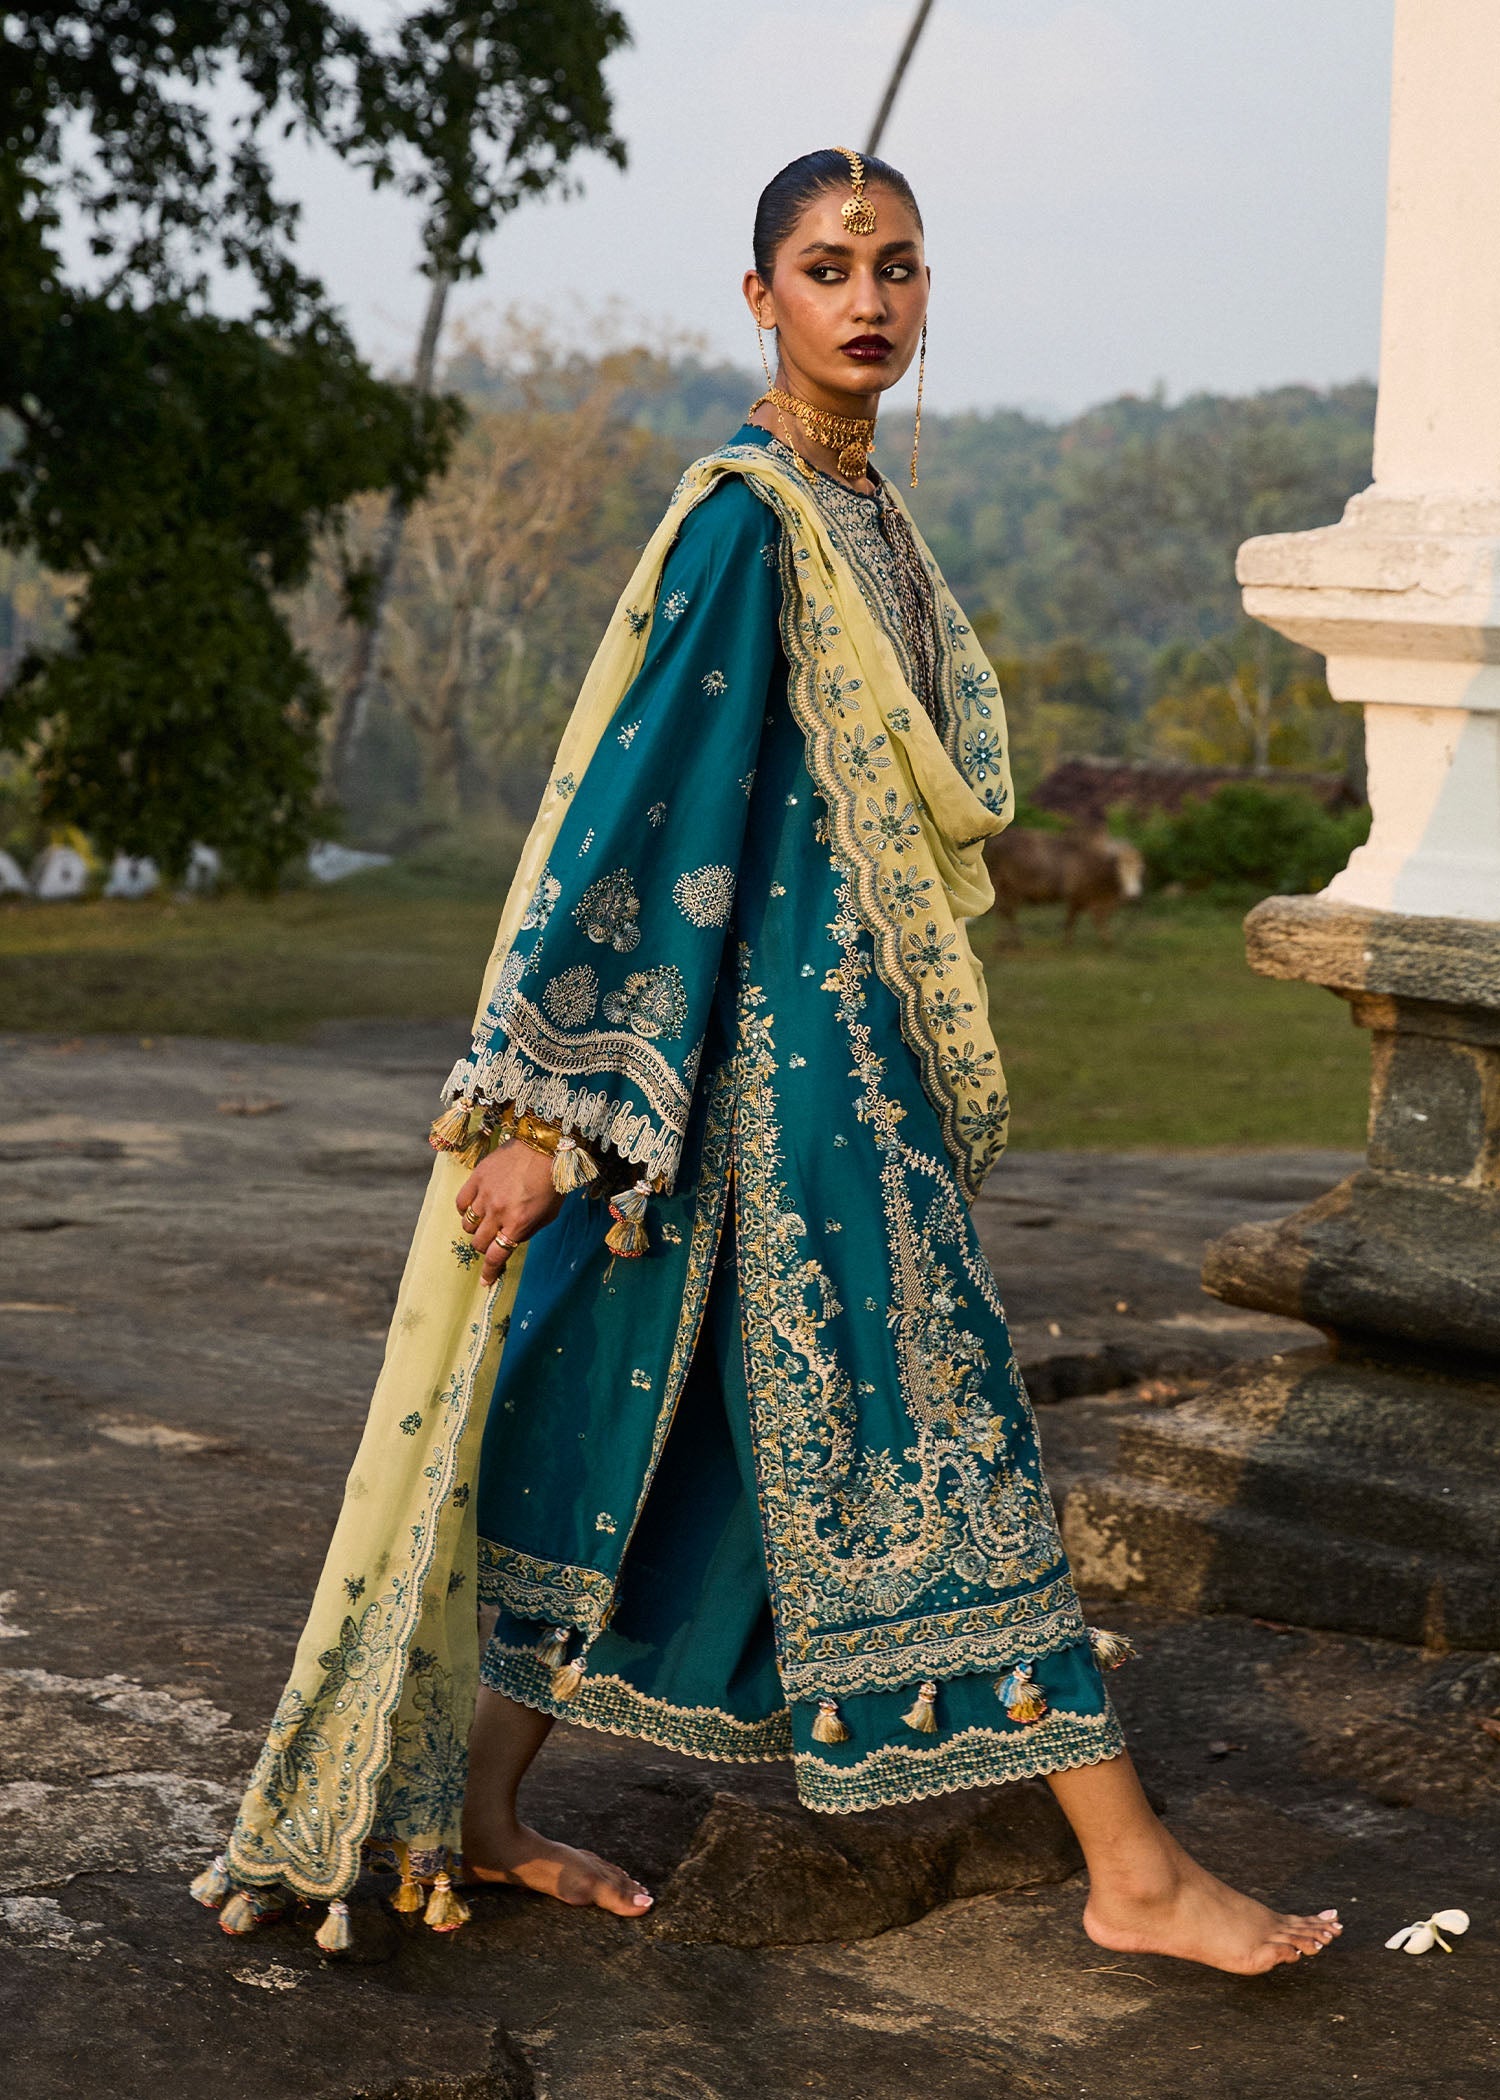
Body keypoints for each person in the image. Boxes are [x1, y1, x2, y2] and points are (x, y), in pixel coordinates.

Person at [196, 149, 1341, 1977]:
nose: (867, 299)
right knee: (947, 1426)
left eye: (898, 266)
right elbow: (656, 811)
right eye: (826, 267)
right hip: (776, 1093)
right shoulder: (749, 520)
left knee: (623, 1419)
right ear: (760, 298)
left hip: (833, 1072)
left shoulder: (866, 514)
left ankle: (483, 1801)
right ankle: (1132, 1871)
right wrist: (561, 1118)